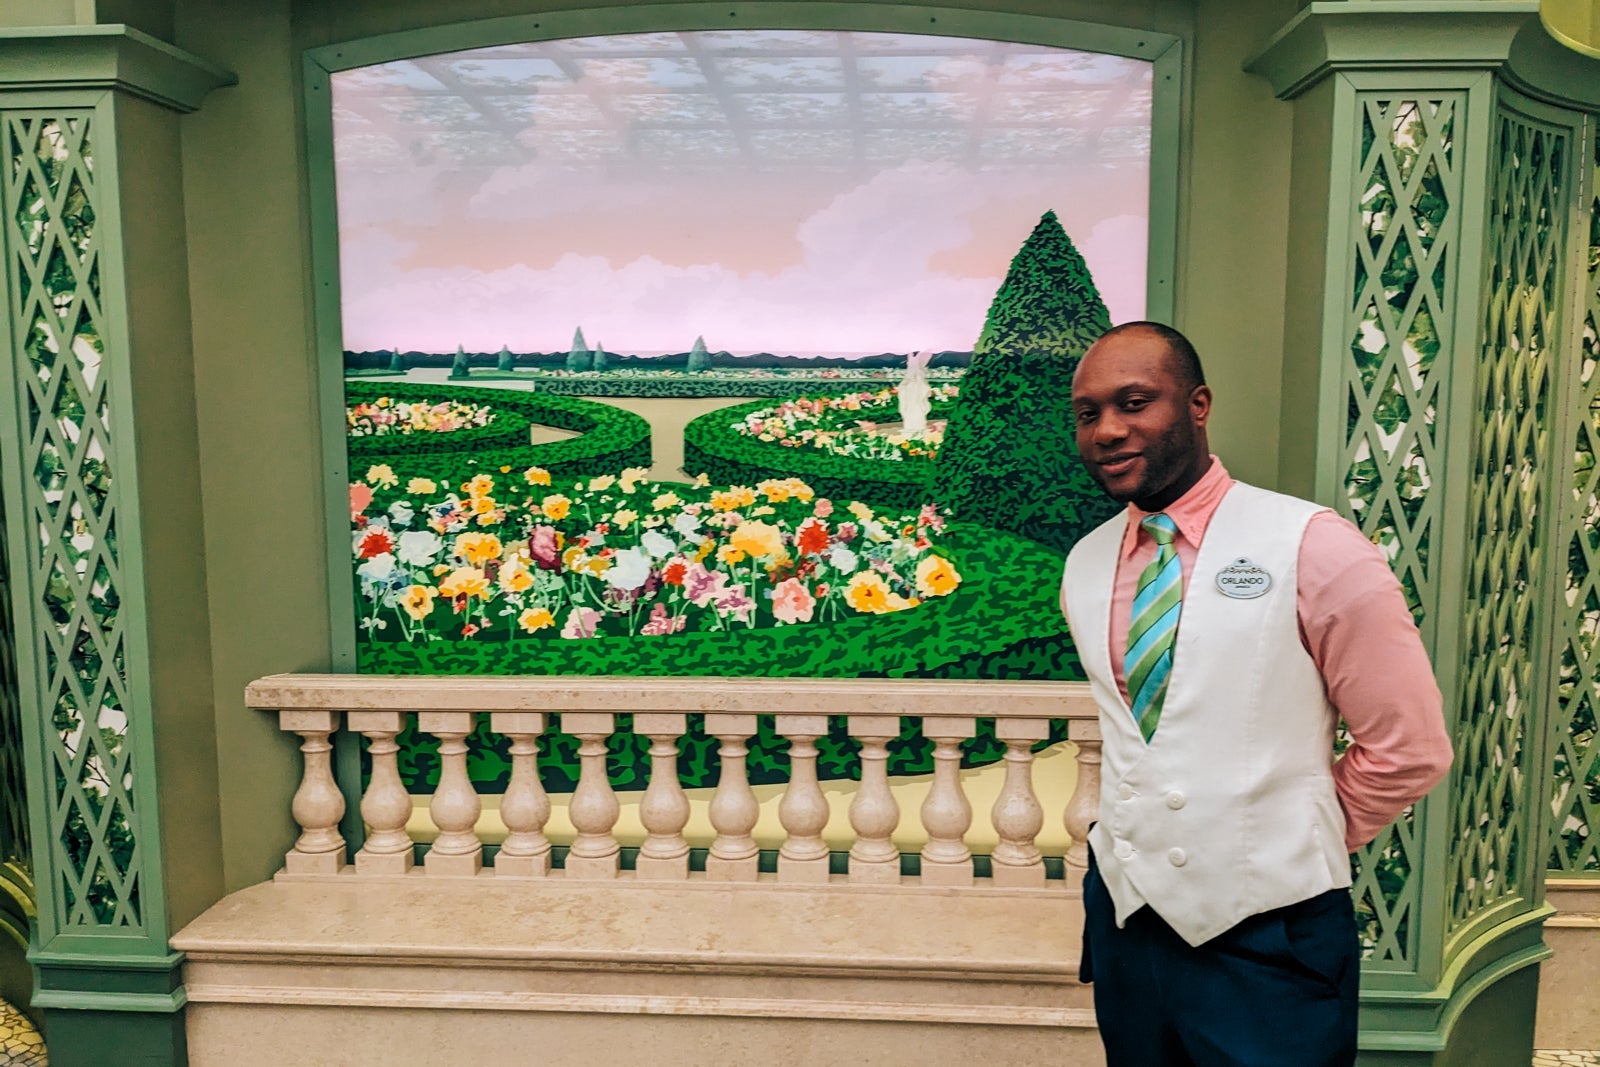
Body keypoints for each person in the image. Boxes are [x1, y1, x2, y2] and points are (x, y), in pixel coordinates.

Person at [1060, 321, 1453, 1067]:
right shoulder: (1084, 564)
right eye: (1088, 413)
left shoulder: (1315, 544)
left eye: (1134, 402)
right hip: (1128, 933)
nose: (1108, 430)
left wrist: (1287, 838)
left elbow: (1410, 748)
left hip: (1272, 942)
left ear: (1197, 404)